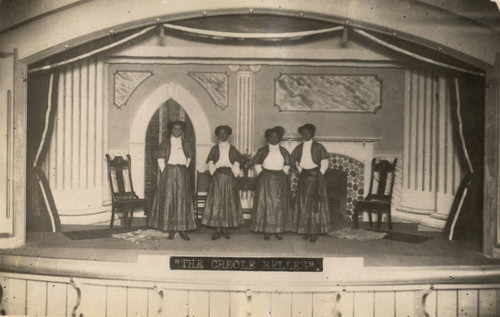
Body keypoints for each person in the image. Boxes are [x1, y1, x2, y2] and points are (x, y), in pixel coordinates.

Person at [148, 120, 196, 240]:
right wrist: (167, 171)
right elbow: (160, 159)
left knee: (182, 200)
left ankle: (182, 229)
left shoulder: (186, 144)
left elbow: (189, 158)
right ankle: (171, 228)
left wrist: (183, 168)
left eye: (180, 129)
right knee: (170, 199)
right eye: (175, 129)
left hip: (182, 173)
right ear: (171, 130)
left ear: (182, 131)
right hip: (169, 173)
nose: (177, 131)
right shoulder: (165, 144)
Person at [291, 123, 332, 242]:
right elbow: (295, 161)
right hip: (304, 178)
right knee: (304, 204)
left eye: (307, 133)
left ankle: (314, 231)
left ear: (312, 134)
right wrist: (300, 170)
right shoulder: (299, 147)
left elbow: (324, 161)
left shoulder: (319, 147)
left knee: (315, 205)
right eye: (303, 134)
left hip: (315, 178)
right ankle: (307, 230)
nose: (305, 135)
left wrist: (319, 174)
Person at [202, 125, 244, 240]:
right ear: (217, 135)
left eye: (225, 133)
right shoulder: (214, 149)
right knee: (217, 202)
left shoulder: (233, 149)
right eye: (220, 133)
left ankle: (225, 228)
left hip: (229, 178)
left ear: (228, 134)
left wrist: (234, 174)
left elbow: (236, 164)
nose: (222, 135)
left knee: (228, 202)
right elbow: (210, 162)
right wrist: (214, 173)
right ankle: (217, 229)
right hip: (217, 178)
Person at [251, 126, 292, 240]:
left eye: (276, 137)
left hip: (280, 180)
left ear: (279, 138)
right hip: (266, 180)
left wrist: (282, 174)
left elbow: (287, 164)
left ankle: (278, 230)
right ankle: (267, 230)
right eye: (271, 137)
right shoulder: (262, 150)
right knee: (266, 204)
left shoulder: (283, 151)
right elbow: (257, 164)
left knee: (279, 205)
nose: (274, 139)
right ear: (267, 138)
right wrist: (262, 175)